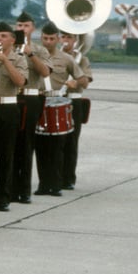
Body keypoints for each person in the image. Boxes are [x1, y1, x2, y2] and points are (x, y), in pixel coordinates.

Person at [34, 23, 86, 196]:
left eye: (52, 38)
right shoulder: (33, 56)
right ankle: (43, 184)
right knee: (40, 145)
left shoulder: (67, 59)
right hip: (39, 99)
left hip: (58, 101)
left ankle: (56, 184)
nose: (48, 42)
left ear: (57, 39)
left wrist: (76, 83)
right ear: (41, 38)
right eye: (45, 38)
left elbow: (83, 80)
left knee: (57, 146)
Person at [0, 22, 28, 212]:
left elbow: (20, 82)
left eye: (4, 36)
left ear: (12, 39)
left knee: (6, 154)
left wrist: (6, 61)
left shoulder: (19, 59)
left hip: (8, 107)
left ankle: (4, 196)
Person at [12, 11, 51, 204]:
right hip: (11, 99)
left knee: (26, 144)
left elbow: (45, 72)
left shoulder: (40, 50)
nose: (22, 29)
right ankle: (9, 188)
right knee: (9, 144)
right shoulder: (7, 48)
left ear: (33, 28)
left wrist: (30, 53)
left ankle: (24, 189)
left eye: (25, 25)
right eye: (19, 26)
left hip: (30, 98)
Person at [60, 32, 92, 191]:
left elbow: (85, 82)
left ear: (76, 40)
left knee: (71, 141)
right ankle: (54, 176)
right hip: (57, 100)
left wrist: (75, 80)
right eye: (63, 37)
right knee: (55, 142)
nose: (65, 41)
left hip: (74, 100)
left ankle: (68, 178)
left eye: (69, 38)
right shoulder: (56, 57)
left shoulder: (83, 59)